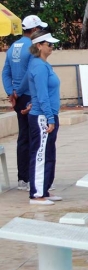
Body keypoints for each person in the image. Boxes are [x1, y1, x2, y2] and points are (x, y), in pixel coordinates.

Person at [1, 15, 48, 191]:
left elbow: (5, 72)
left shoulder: (13, 46)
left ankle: (23, 178)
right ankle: (29, 178)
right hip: (28, 96)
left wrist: (11, 93)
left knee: (24, 137)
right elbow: (31, 74)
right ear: (34, 30)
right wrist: (18, 92)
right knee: (33, 137)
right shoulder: (32, 48)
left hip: (18, 98)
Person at [23, 32, 61, 205]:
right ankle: (37, 194)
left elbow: (37, 92)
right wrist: (49, 118)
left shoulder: (44, 65)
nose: (52, 47)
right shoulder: (38, 66)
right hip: (43, 117)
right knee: (40, 154)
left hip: (48, 113)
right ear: (39, 46)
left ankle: (45, 188)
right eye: (49, 44)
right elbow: (42, 93)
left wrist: (32, 103)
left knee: (49, 154)